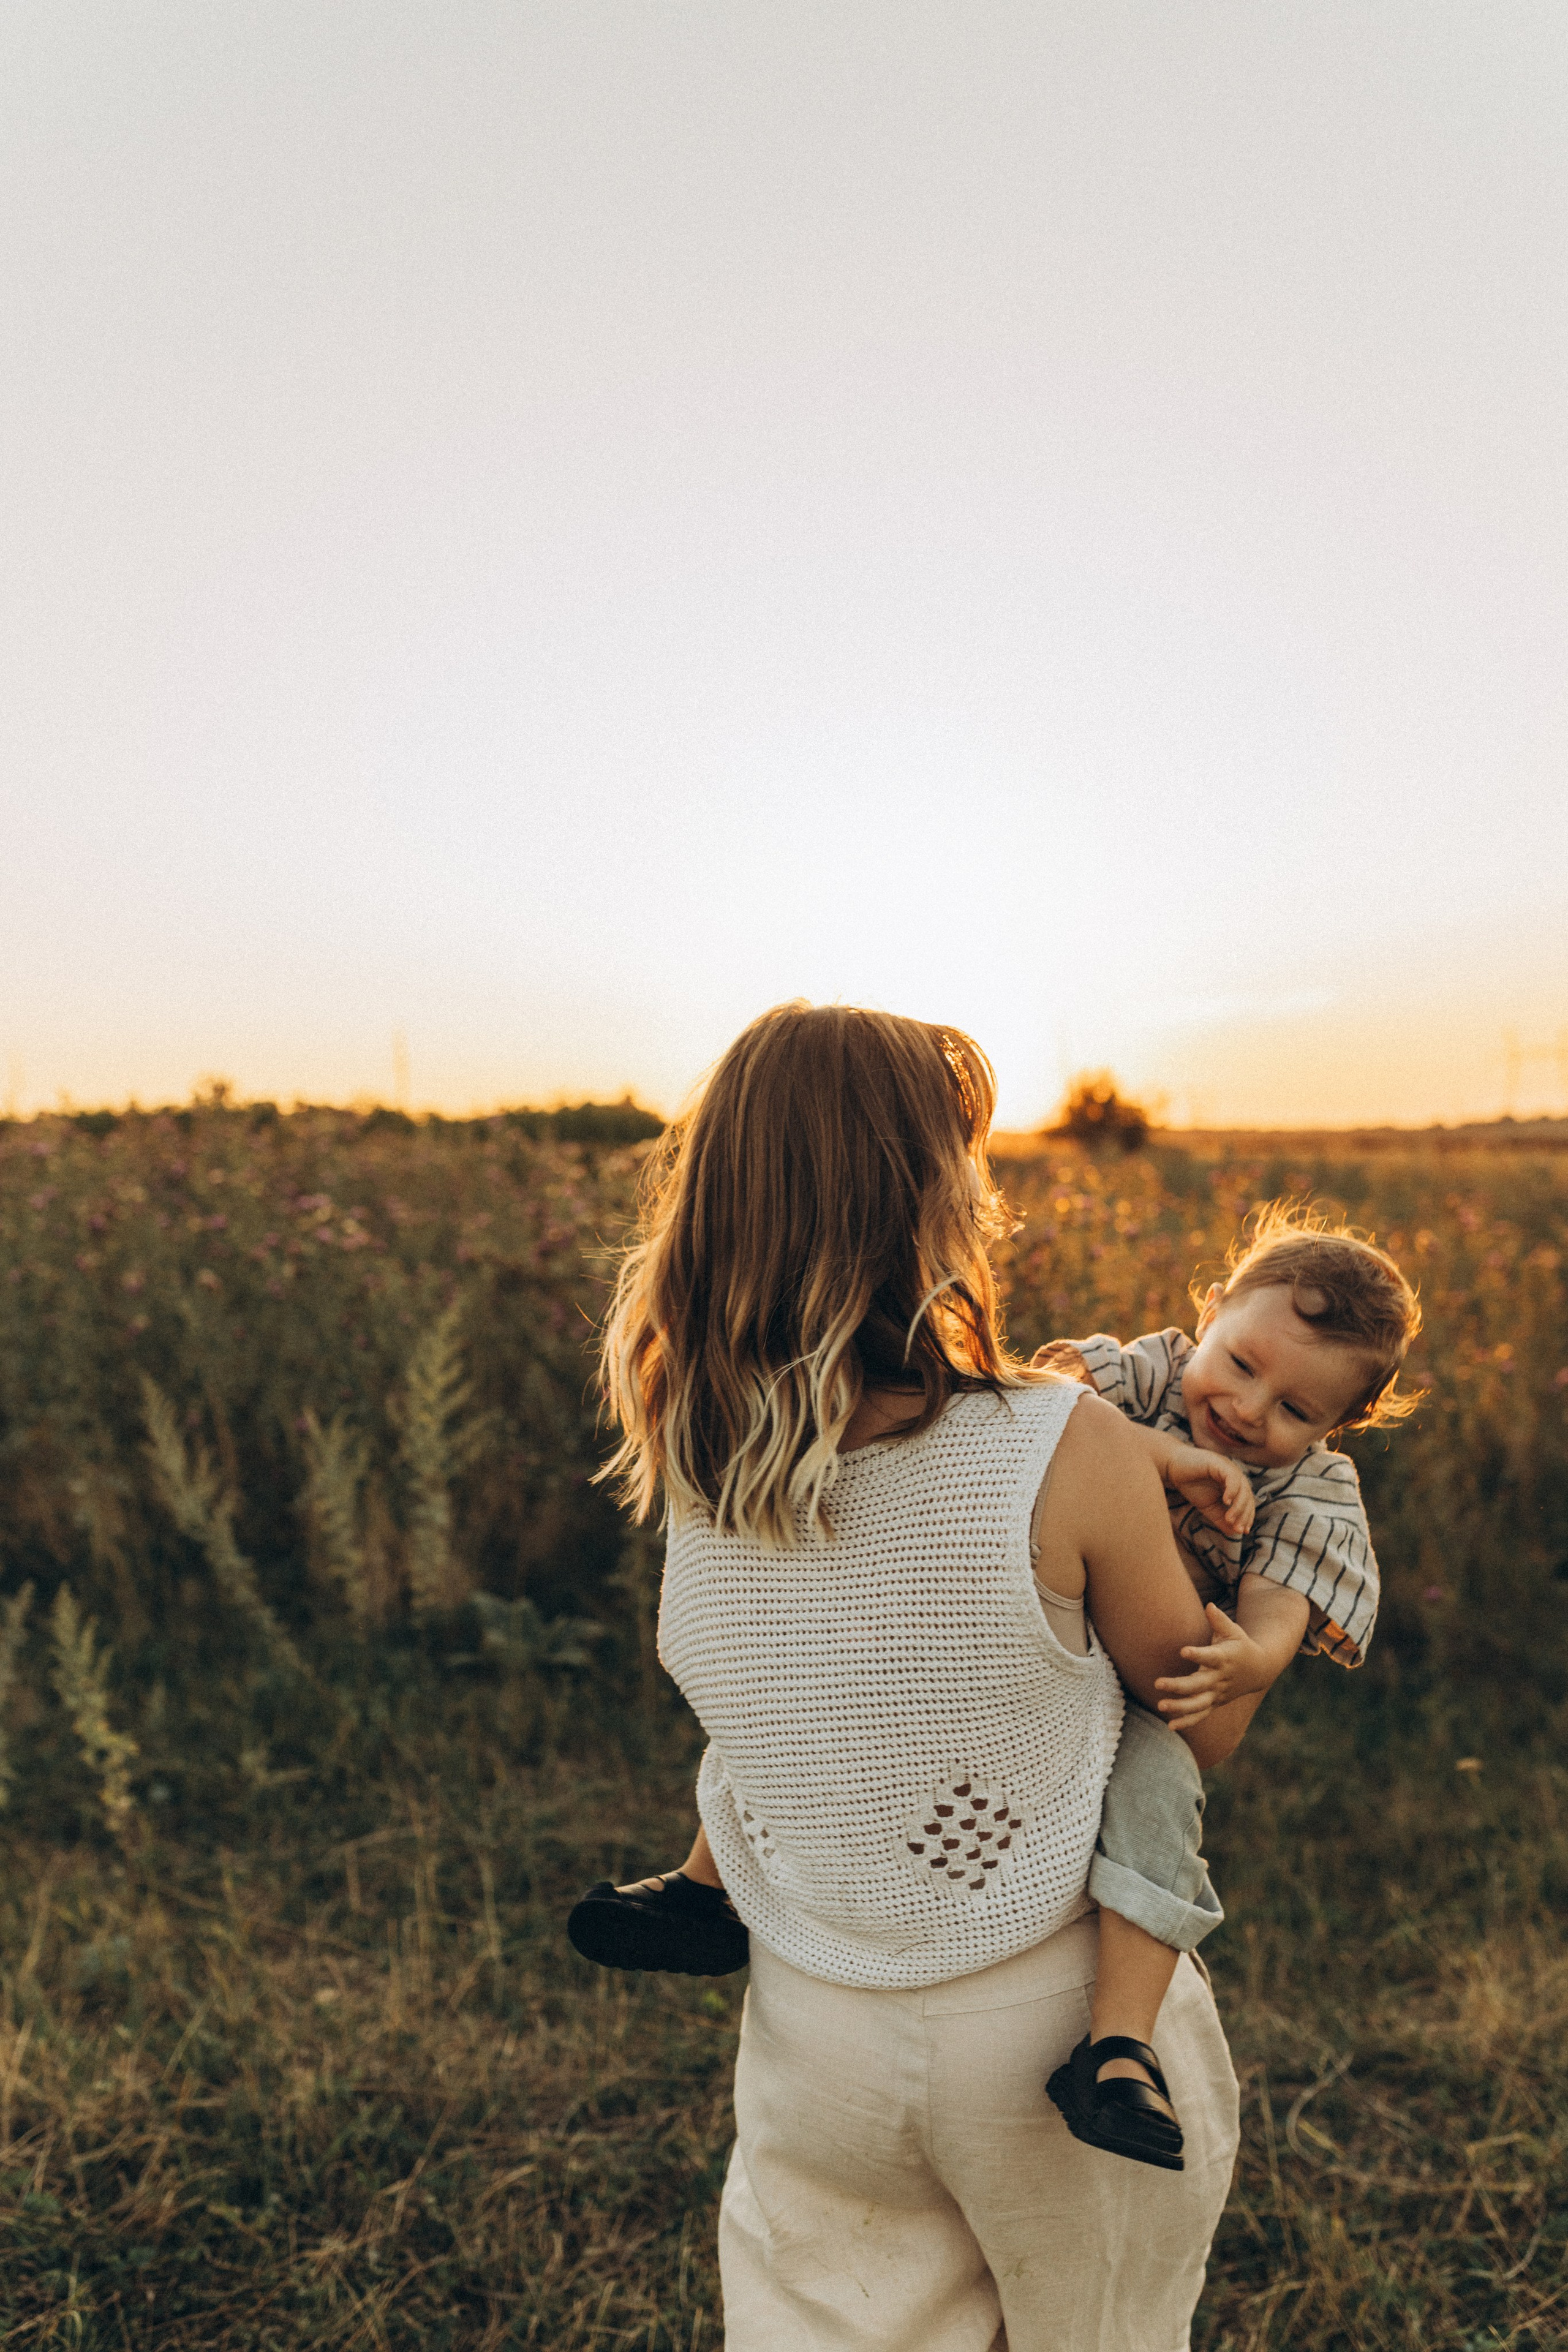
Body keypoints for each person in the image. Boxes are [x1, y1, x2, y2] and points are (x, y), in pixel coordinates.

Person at [575, 1002, 1246, 2350]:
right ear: (924, 1200)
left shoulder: (703, 1451)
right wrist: (1265, 1591)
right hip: (1058, 2029)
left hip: (812, 2016)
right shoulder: (1066, 1443)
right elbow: (1196, 1716)